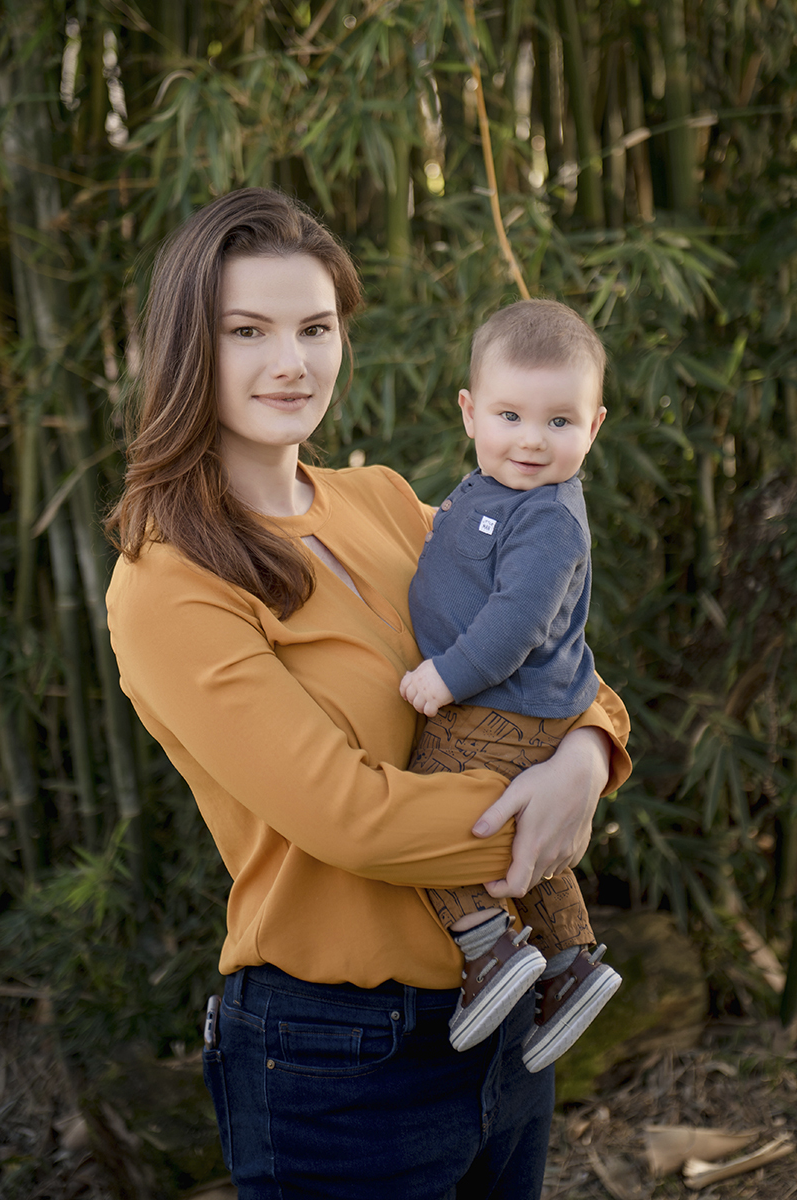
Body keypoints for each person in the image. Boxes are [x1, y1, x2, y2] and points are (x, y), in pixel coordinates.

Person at [105, 187, 631, 1200]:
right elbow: (354, 821)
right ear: (186, 348)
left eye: (315, 327)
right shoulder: (169, 583)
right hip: (339, 1060)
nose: (292, 362)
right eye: (247, 331)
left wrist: (584, 756)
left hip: (510, 1014)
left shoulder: (381, 499)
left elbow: (550, 654)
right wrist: (545, 824)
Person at [399, 299, 622, 1072]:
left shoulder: (550, 517)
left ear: (594, 427)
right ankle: (569, 961)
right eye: (510, 416)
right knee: (529, 838)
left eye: (559, 421)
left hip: (498, 704)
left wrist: (447, 675)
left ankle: (487, 947)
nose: (531, 439)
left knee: (434, 812)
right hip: (519, 706)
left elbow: (516, 622)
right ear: (470, 413)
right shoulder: (490, 487)